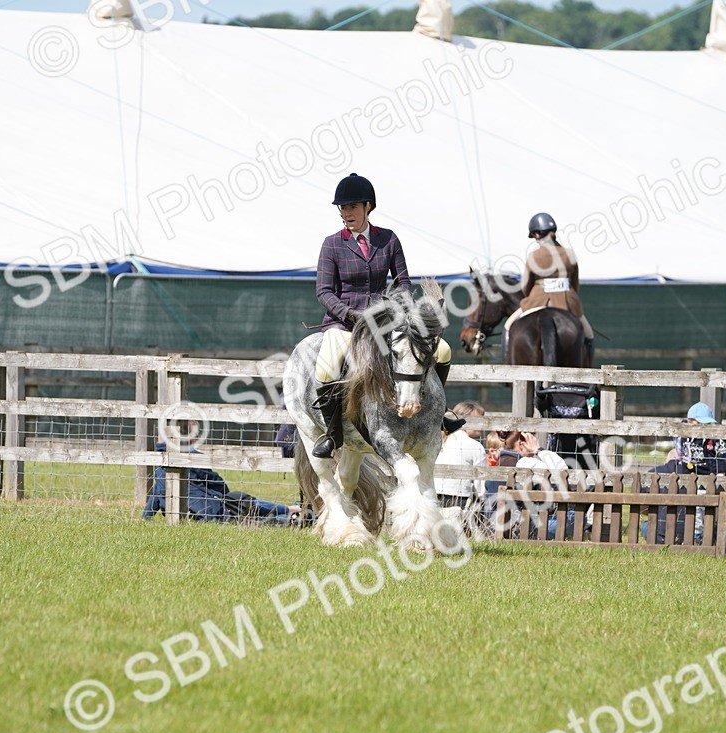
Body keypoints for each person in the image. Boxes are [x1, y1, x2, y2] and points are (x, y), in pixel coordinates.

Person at [310, 172, 464, 457]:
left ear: (368, 207)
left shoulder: (388, 240)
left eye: (353, 207)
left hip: (385, 322)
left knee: (442, 350)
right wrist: (350, 314)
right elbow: (324, 291)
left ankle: (439, 412)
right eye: (343, 208)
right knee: (327, 365)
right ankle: (332, 434)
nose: (346, 213)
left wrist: (399, 308)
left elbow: (403, 281)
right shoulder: (332, 244)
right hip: (345, 324)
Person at [646, 402, 726, 544]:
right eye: (700, 423)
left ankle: (697, 536)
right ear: (690, 422)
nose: (704, 428)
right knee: (699, 514)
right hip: (693, 484)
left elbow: (723, 460)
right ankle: (697, 537)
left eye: (707, 424)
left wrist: (720, 474)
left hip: (706, 482)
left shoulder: (713, 439)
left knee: (703, 512)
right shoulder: (683, 442)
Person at [143, 443, 302, 524]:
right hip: (216, 510)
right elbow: (216, 481)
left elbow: (155, 498)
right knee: (240, 502)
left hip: (199, 518)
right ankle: (291, 512)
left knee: (249, 516)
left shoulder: (161, 472)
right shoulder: (191, 455)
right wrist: (224, 495)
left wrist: (145, 519)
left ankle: (292, 516)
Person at [520, 212, 595, 366]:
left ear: (536, 234)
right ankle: (589, 374)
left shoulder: (533, 256)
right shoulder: (570, 254)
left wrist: (531, 297)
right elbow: (575, 283)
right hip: (567, 303)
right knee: (589, 335)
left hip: (537, 302)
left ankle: (509, 371)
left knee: (508, 328)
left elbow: (525, 286)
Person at [513, 432, 574, 539]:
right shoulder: (523, 462)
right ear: (522, 444)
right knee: (575, 517)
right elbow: (562, 470)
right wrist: (538, 449)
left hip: (529, 520)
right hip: (541, 522)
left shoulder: (508, 460)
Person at [434, 400, 487, 509]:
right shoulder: (475, 447)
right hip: (460, 501)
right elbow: (481, 487)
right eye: (478, 420)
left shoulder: (438, 440)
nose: (482, 424)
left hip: (432, 495)